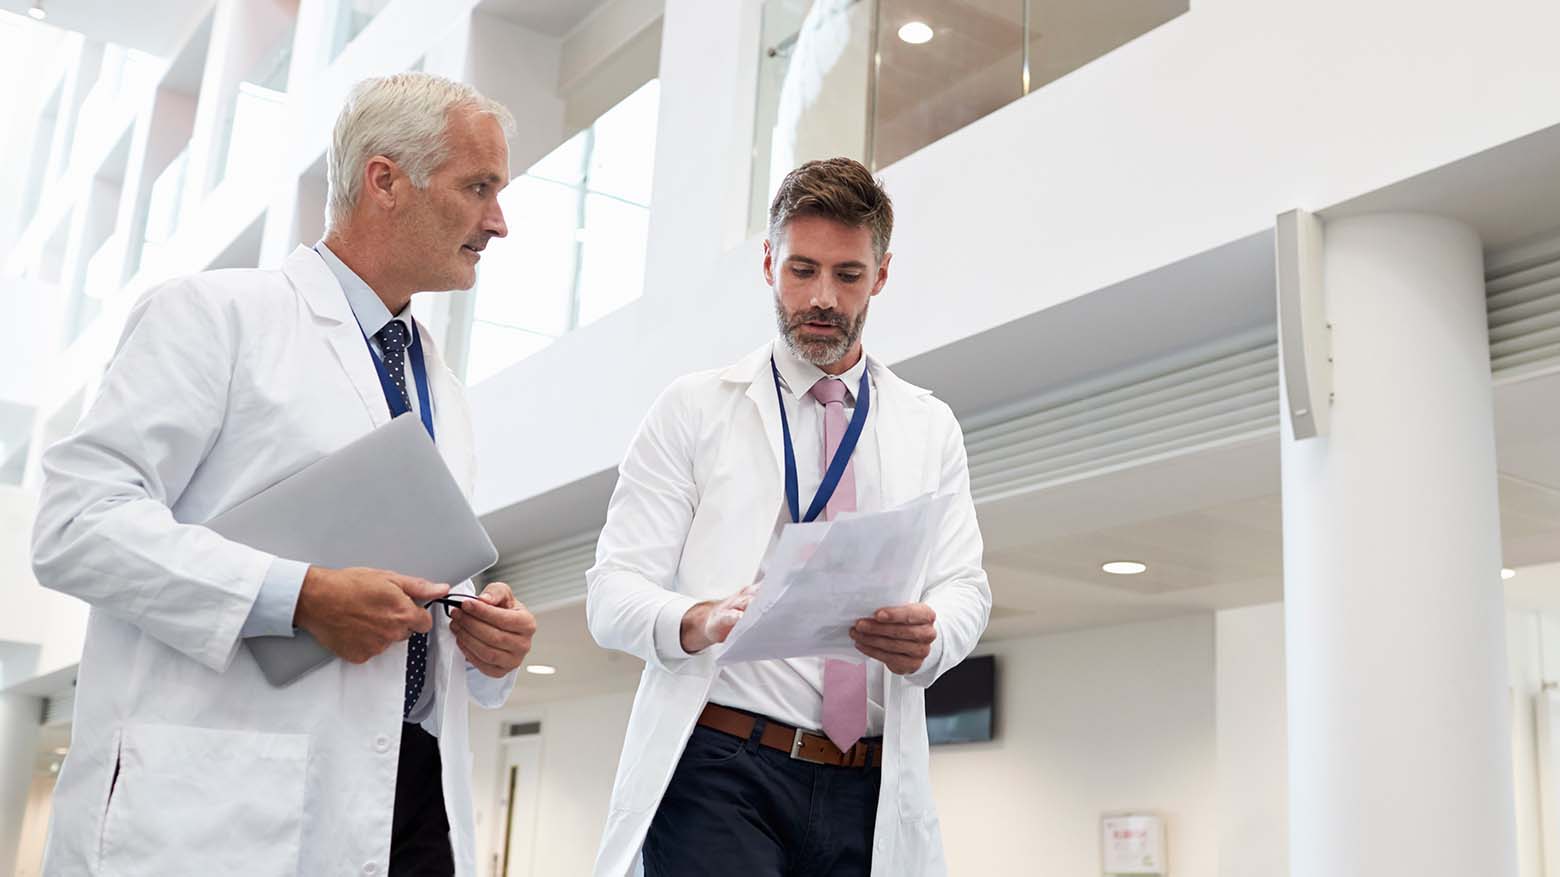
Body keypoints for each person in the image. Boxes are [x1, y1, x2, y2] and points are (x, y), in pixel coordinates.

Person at [30, 73, 537, 877]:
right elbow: (76, 523)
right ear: (385, 181)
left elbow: (417, 585)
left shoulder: (444, 390)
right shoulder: (213, 317)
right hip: (227, 804)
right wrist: (298, 596)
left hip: (409, 800)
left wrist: (484, 642)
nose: (498, 221)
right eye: (478, 187)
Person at [586, 157, 991, 876]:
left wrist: (932, 636)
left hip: (866, 779)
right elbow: (612, 592)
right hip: (722, 769)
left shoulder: (929, 425)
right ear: (768, 262)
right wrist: (700, 618)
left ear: (883, 275)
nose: (823, 298)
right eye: (802, 270)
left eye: (848, 275)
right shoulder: (693, 408)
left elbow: (965, 585)